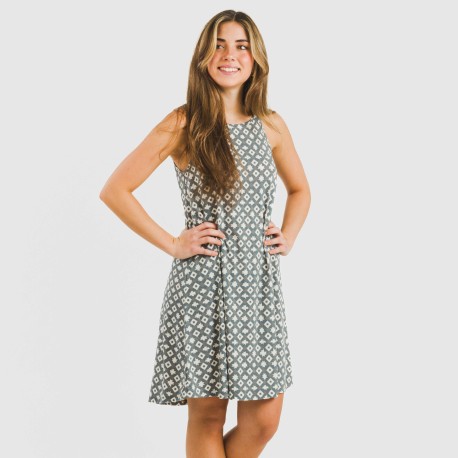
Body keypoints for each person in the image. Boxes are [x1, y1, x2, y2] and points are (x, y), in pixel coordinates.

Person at [100, 9, 311, 458]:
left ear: (256, 58)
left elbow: (300, 190)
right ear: (203, 57)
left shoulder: (271, 124)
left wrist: (288, 235)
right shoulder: (184, 122)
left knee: (264, 419)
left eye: (241, 46)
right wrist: (174, 244)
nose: (229, 55)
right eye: (219, 45)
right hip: (204, 283)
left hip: (257, 287)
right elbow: (115, 190)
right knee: (209, 415)